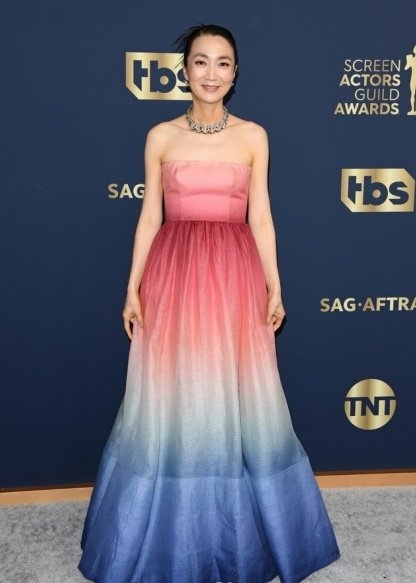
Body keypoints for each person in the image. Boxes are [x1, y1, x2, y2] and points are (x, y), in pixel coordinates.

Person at [78, 23, 340, 583]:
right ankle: (166, 530)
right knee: (169, 394)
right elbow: (149, 216)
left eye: (223, 63)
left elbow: (261, 216)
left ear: (236, 73)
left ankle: (244, 533)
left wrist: (275, 284)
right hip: (173, 273)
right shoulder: (160, 136)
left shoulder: (253, 137)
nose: (212, 73)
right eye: (201, 61)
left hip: (235, 273)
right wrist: (132, 286)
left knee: (241, 394)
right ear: (185, 71)